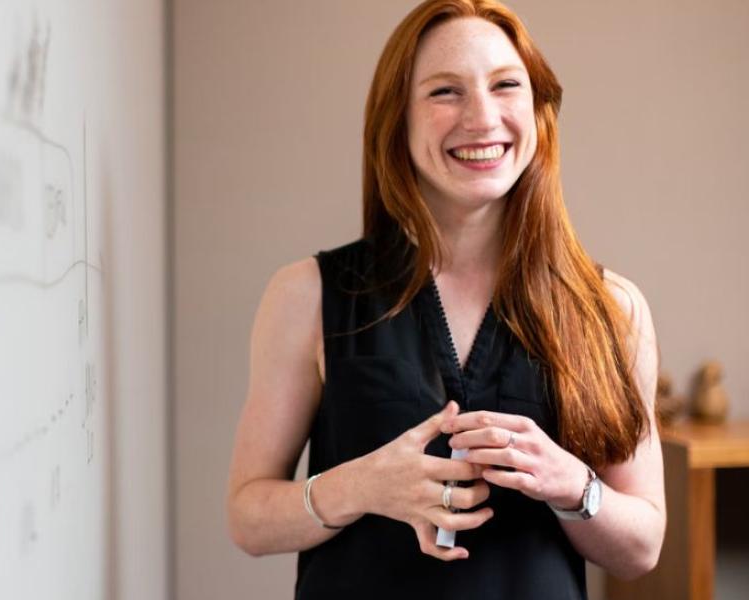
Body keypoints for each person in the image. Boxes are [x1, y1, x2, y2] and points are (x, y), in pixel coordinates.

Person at [226, 1, 664, 598]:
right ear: (397, 121)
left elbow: (642, 546)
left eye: (506, 85)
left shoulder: (613, 309)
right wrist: (360, 486)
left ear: (537, 110)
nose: (482, 118)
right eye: (445, 93)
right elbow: (249, 519)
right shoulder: (306, 296)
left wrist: (572, 484)